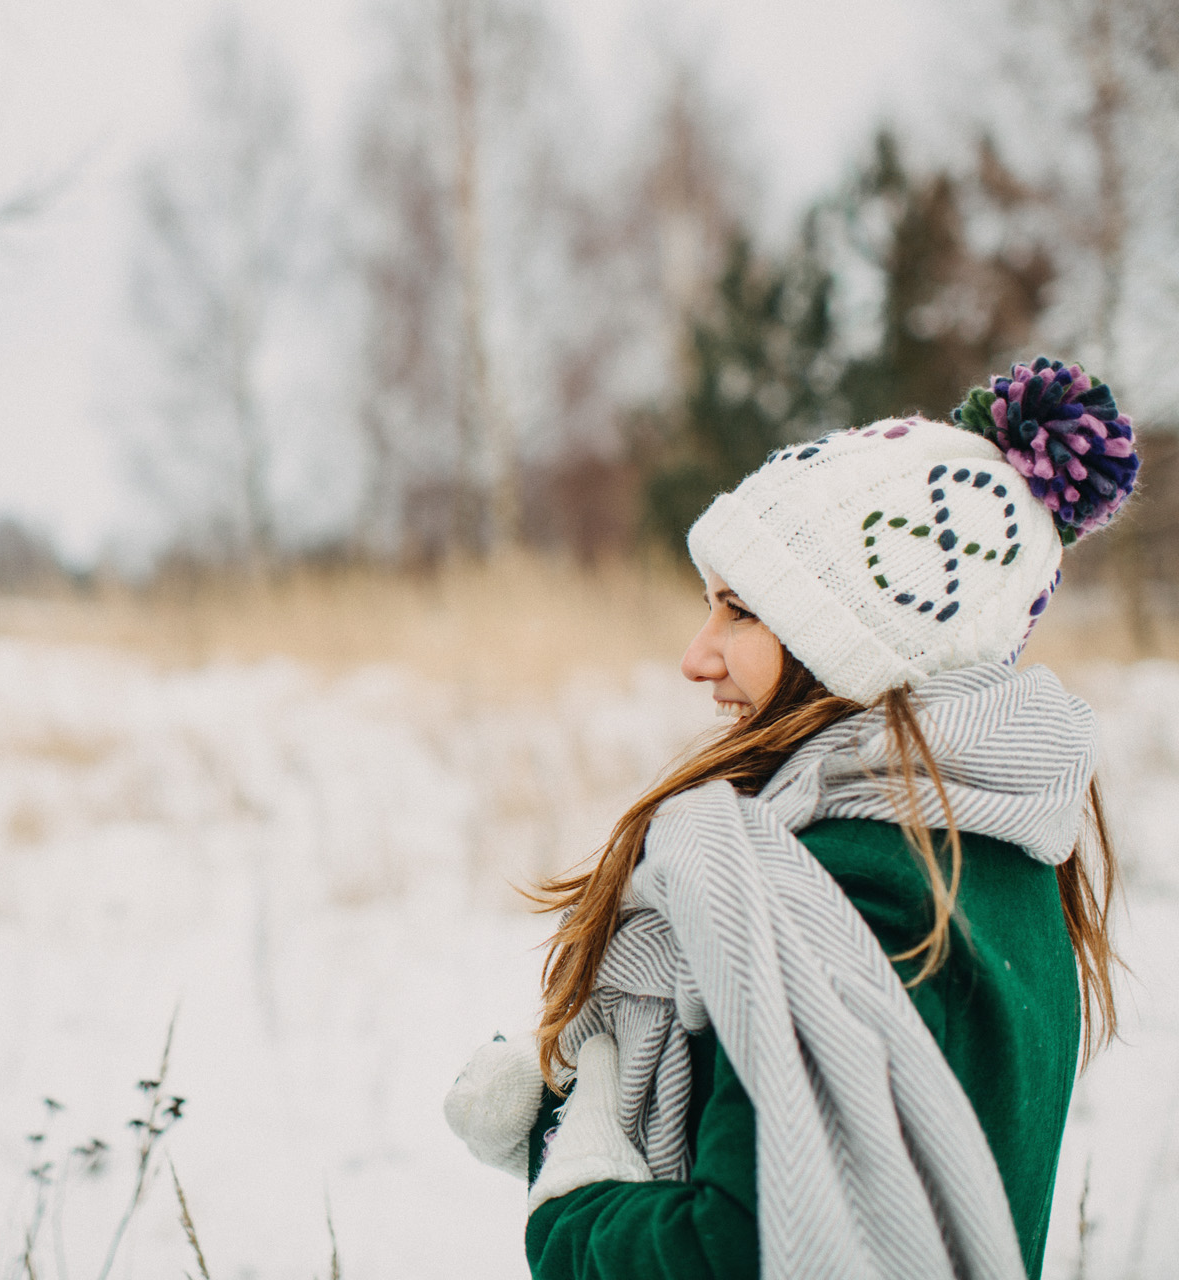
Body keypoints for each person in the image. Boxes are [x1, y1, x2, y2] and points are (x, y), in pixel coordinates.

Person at [446, 357, 1136, 1280]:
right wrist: (565, 1107)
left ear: (849, 643)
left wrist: (571, 1198)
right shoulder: (1002, 848)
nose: (697, 657)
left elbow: (742, 1251)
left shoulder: (848, 884)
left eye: (739, 612)